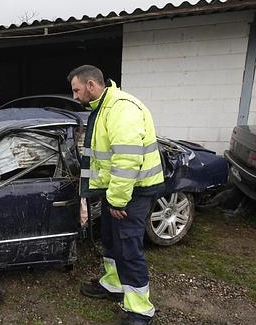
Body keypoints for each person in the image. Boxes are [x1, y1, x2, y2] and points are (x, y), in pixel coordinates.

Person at [68, 65, 164, 325]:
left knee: (127, 247)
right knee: (111, 239)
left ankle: (140, 310)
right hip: (117, 191)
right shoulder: (103, 108)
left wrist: (117, 200)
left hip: (133, 192)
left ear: (91, 85)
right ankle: (113, 285)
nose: (75, 96)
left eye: (76, 90)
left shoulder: (121, 108)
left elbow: (127, 160)